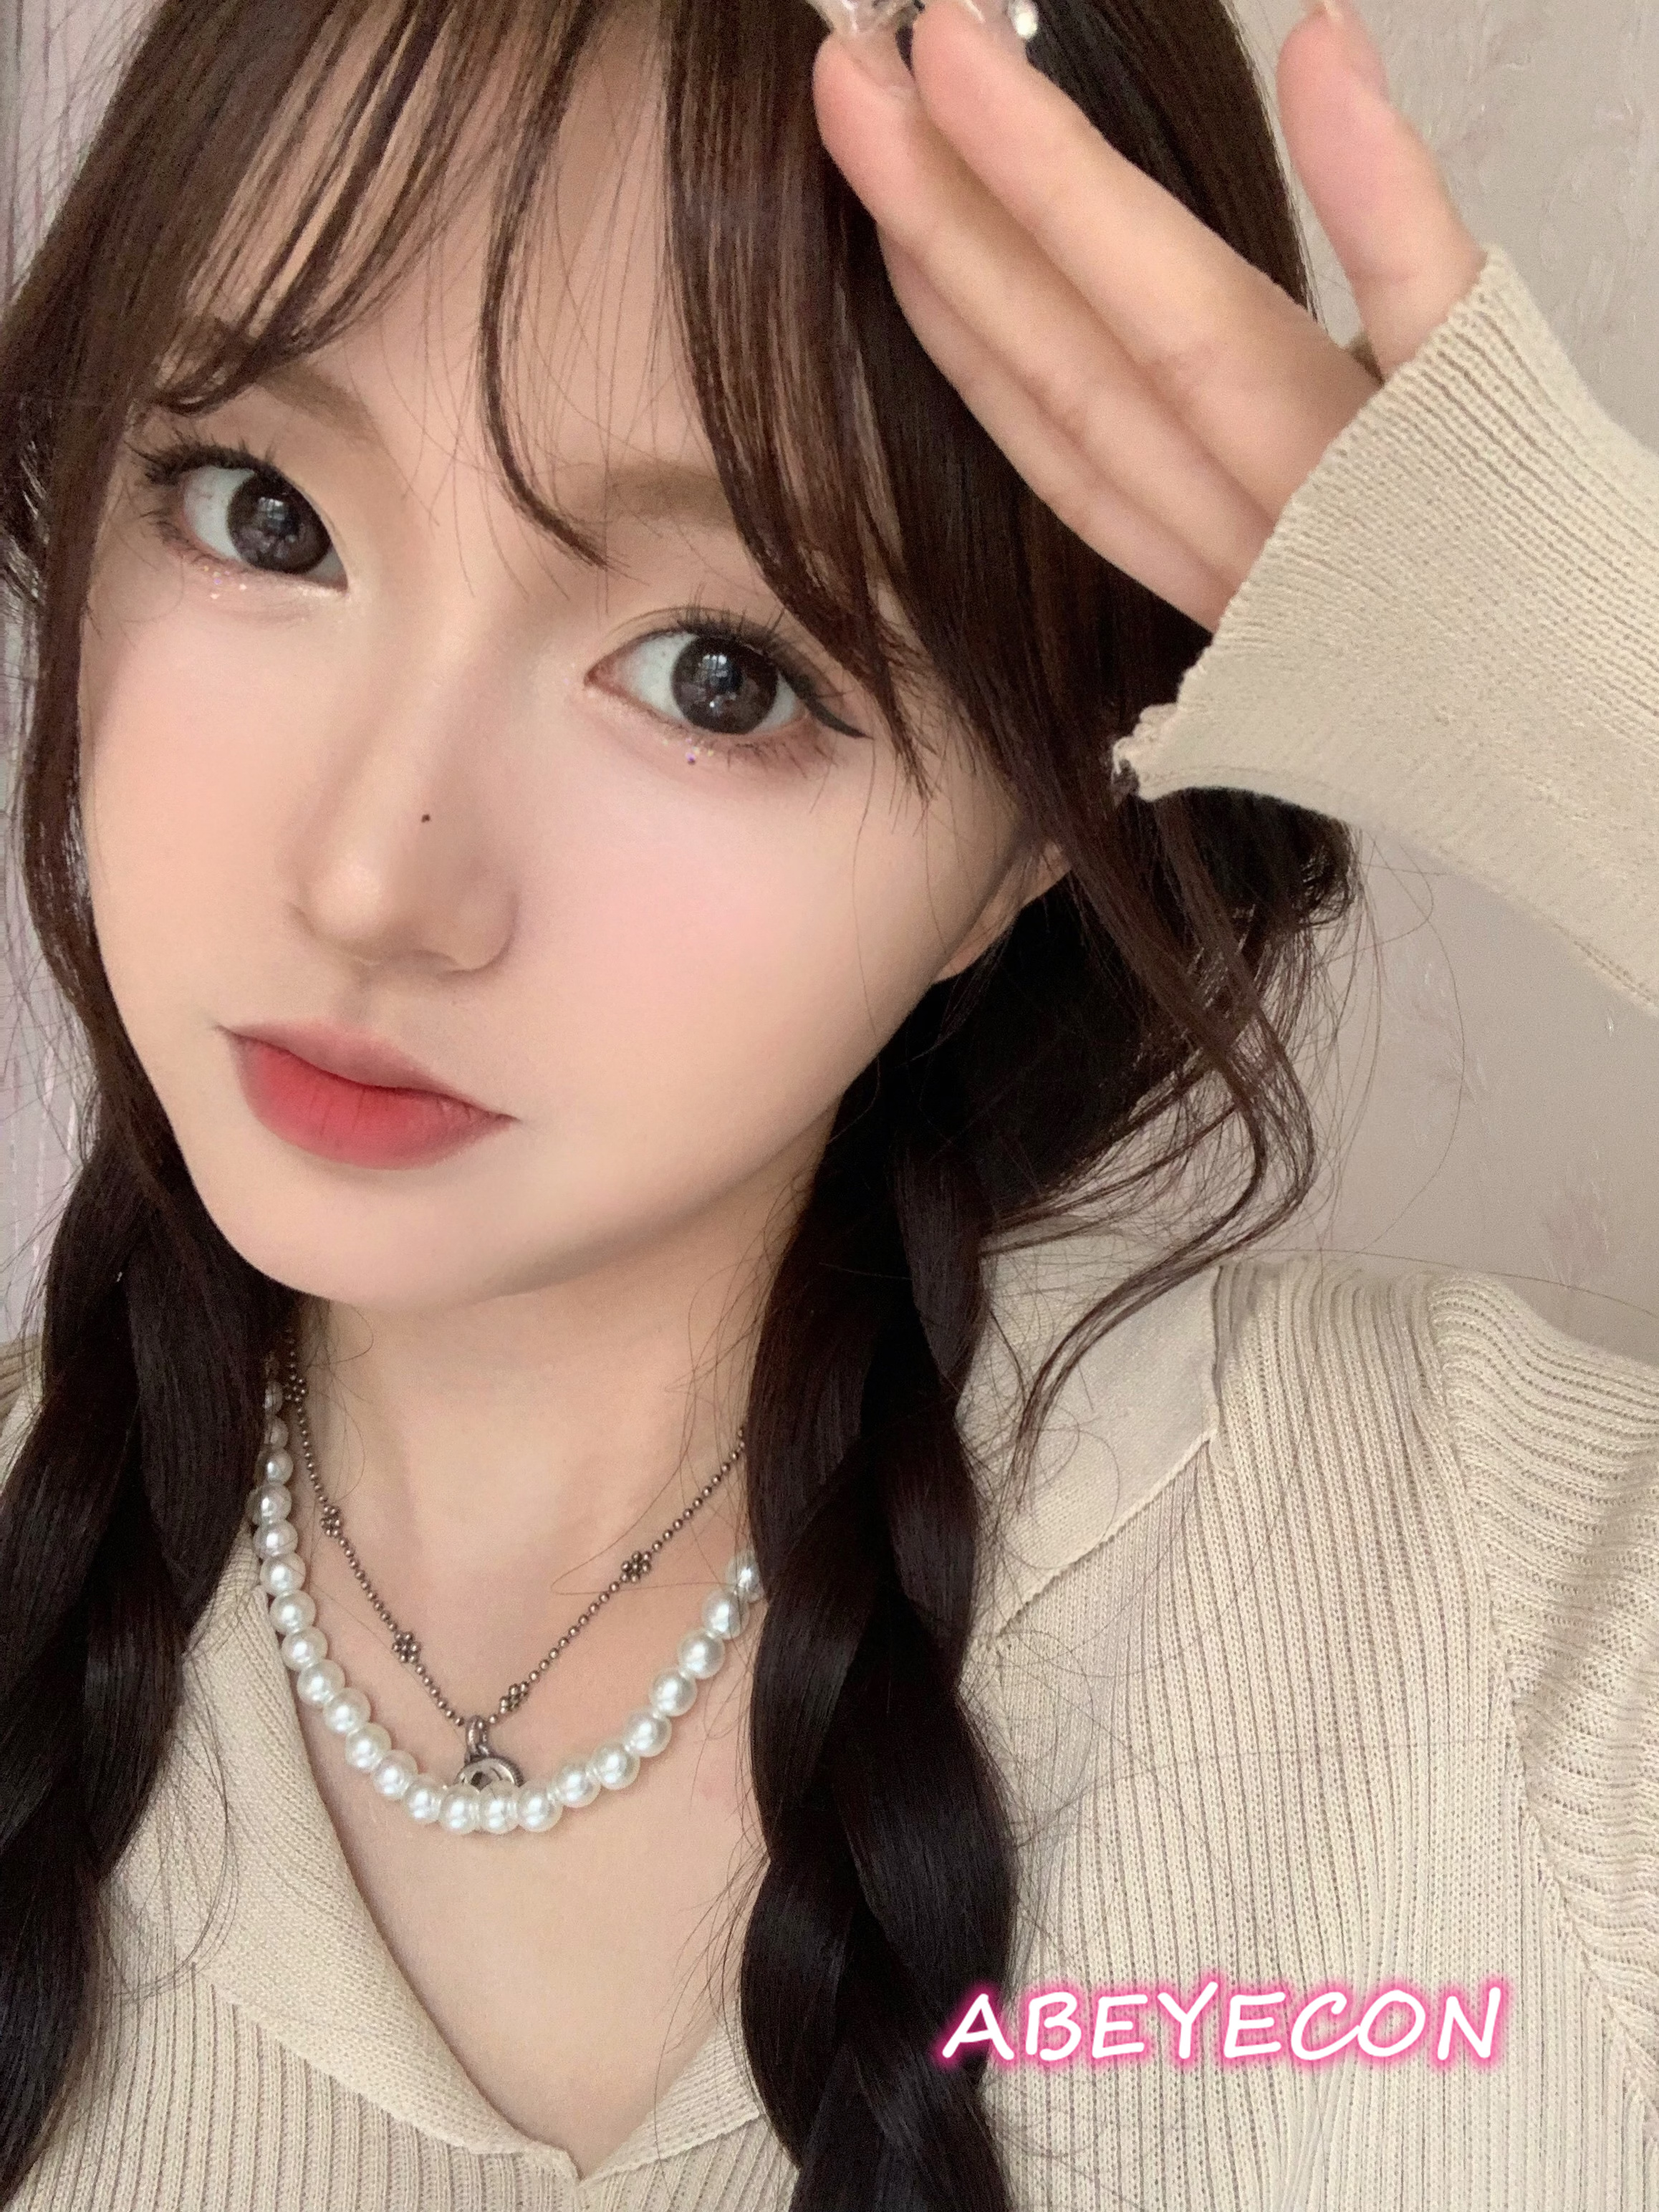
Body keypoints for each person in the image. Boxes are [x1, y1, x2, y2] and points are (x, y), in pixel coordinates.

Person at [0, 0, 1654, 2204]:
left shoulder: (1507, 1633)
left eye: (718, 675)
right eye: (267, 514)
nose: (376, 880)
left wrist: (1583, 682)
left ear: (1034, 830)